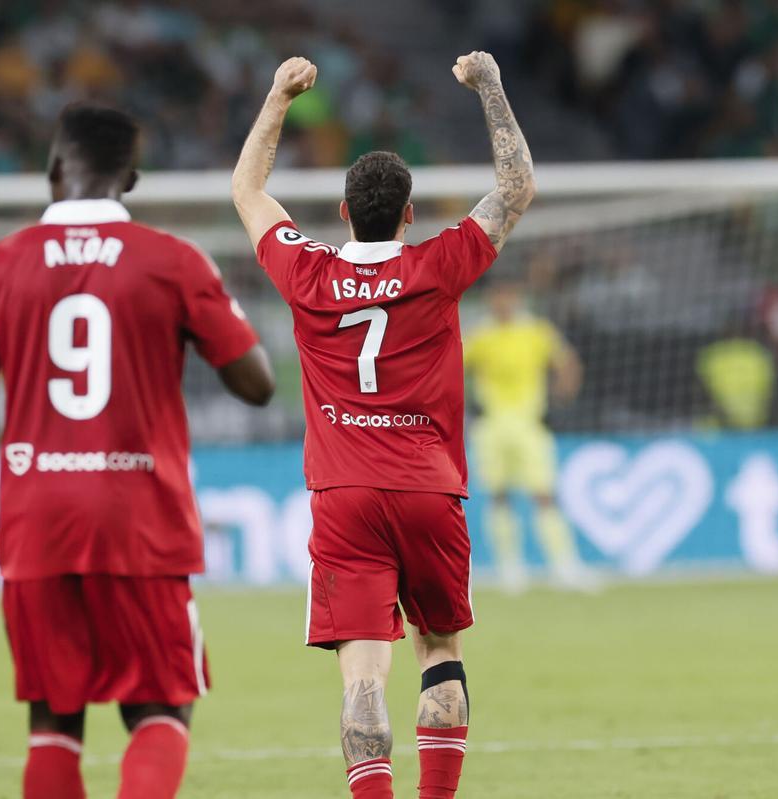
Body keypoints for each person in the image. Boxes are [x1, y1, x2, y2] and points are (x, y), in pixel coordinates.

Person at [0, 103, 274, 799]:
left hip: (37, 520)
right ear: (133, 178)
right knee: (159, 707)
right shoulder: (173, 261)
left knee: (52, 720)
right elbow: (257, 384)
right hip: (141, 516)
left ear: (54, 170)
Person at [231, 53, 535, 799]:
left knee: (363, 674)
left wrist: (278, 95)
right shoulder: (438, 264)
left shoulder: (308, 274)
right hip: (430, 489)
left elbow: (247, 188)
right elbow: (517, 185)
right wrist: (491, 87)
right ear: (408, 213)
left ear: (342, 213)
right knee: (439, 647)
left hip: (344, 495)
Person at [463, 278, 594, 592]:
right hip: (491, 425)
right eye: (497, 296)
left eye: (508, 295)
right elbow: (451, 368)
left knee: (544, 494)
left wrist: (562, 399)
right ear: (490, 300)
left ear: (517, 297)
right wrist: (464, 405)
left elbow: (567, 363)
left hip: (528, 423)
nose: (503, 302)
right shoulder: (480, 335)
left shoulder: (536, 331)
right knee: (499, 495)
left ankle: (564, 566)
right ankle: (510, 569)